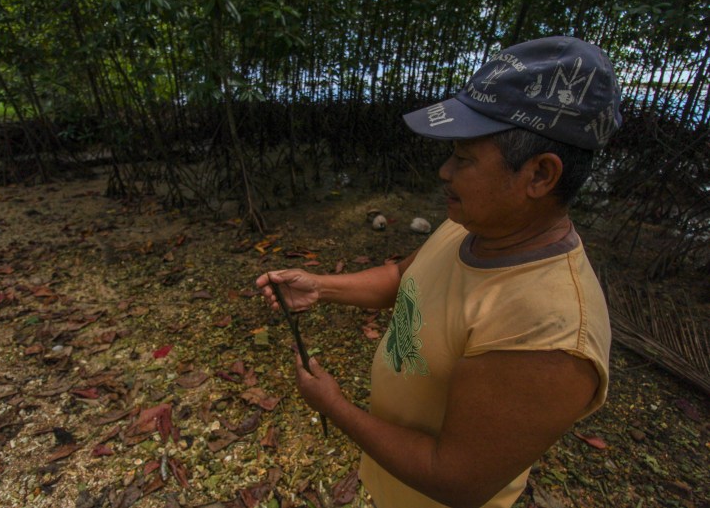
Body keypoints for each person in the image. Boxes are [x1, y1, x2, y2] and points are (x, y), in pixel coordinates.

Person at [256, 36, 621, 508]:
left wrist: (335, 407)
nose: (444, 172)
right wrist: (320, 288)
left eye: (464, 158)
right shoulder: (470, 226)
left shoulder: (548, 331)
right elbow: (406, 277)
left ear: (540, 175)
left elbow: (455, 480)